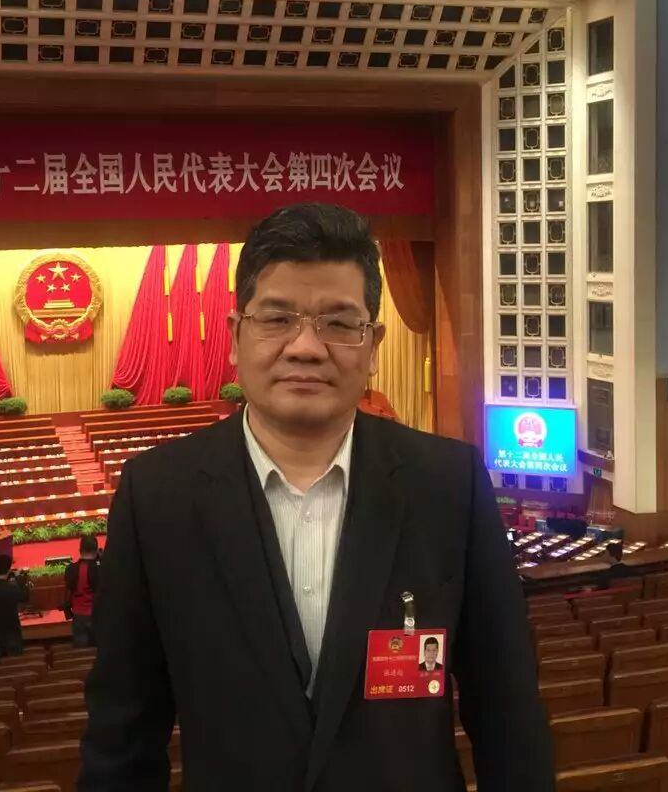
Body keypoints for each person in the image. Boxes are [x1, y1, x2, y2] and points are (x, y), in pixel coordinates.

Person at [80, 204, 552, 792]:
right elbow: (123, 732)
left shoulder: (448, 484)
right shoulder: (156, 495)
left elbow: (507, 710)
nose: (305, 347)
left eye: (338, 322)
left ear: (373, 344)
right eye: (277, 319)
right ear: (234, 336)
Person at [64, 535, 100, 648]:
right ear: (96, 550)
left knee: (81, 651)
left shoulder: (70, 569)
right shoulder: (101, 568)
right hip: (98, 616)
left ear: (80, 550)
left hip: (78, 617)